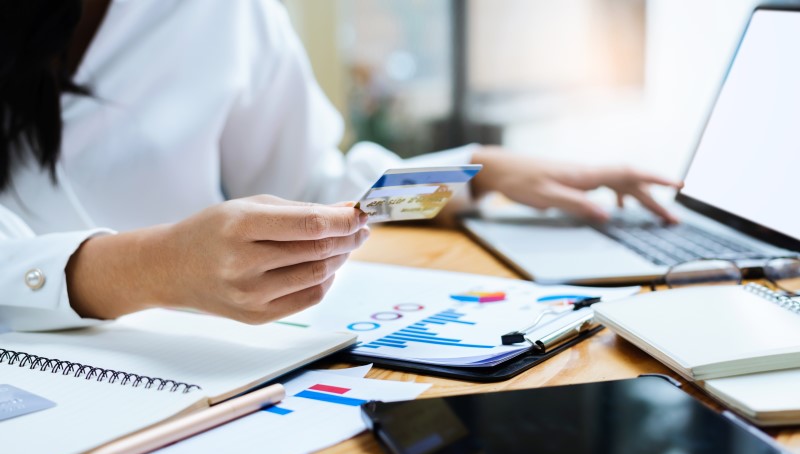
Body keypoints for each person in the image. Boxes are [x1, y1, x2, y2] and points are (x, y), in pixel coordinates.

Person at [0, 0, 679, 332]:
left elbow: (315, 193)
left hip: (179, 375)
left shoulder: (222, 11)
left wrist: (471, 172)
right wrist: (159, 266)